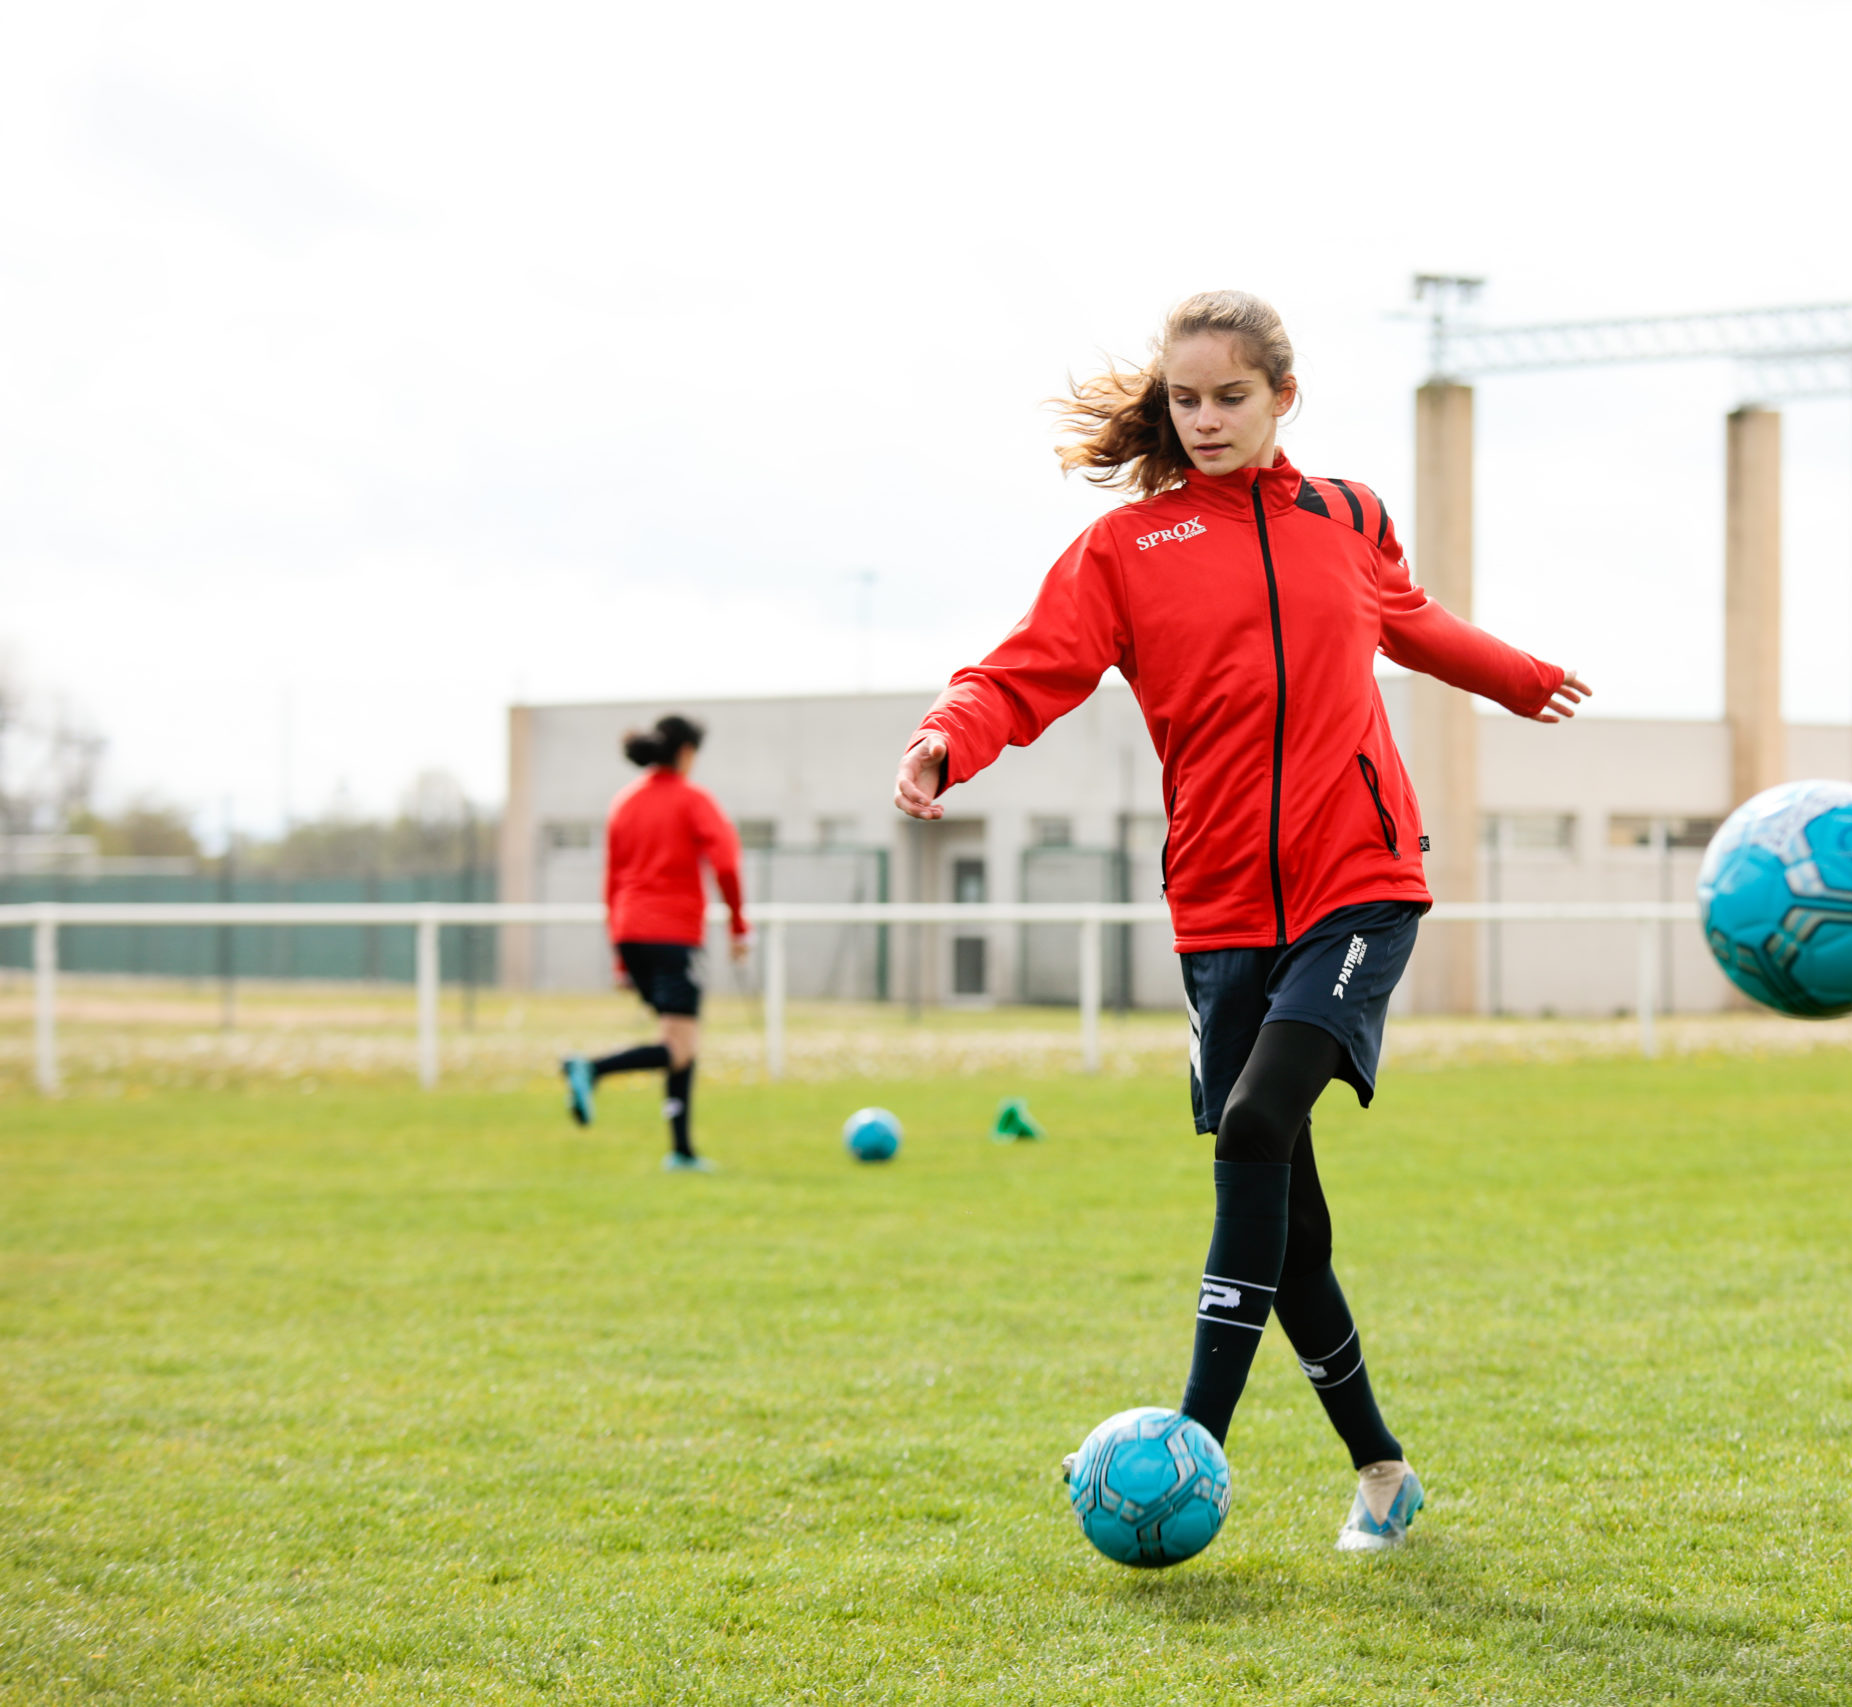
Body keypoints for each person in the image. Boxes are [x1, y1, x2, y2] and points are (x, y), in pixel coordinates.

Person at [892, 290, 1588, 1552]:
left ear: (1282, 396)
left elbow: (1409, 617)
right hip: (1218, 910)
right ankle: (1382, 1471)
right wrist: (951, 736)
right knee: (1291, 1223)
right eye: (1186, 400)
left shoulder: (1347, 516)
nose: (1205, 420)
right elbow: (1027, 667)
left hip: (1360, 880)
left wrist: (1520, 677)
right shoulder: (1126, 549)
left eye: (1230, 397)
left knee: (1259, 1121)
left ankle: (1188, 1437)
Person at [561, 713, 750, 1173]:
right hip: (672, 934)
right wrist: (739, 924)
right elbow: (725, 862)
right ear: (686, 753)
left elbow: (612, 879)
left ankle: (682, 1152)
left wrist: (619, 958)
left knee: (679, 1042)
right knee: (681, 1046)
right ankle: (591, 1069)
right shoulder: (692, 800)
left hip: (629, 933)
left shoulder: (624, 804)